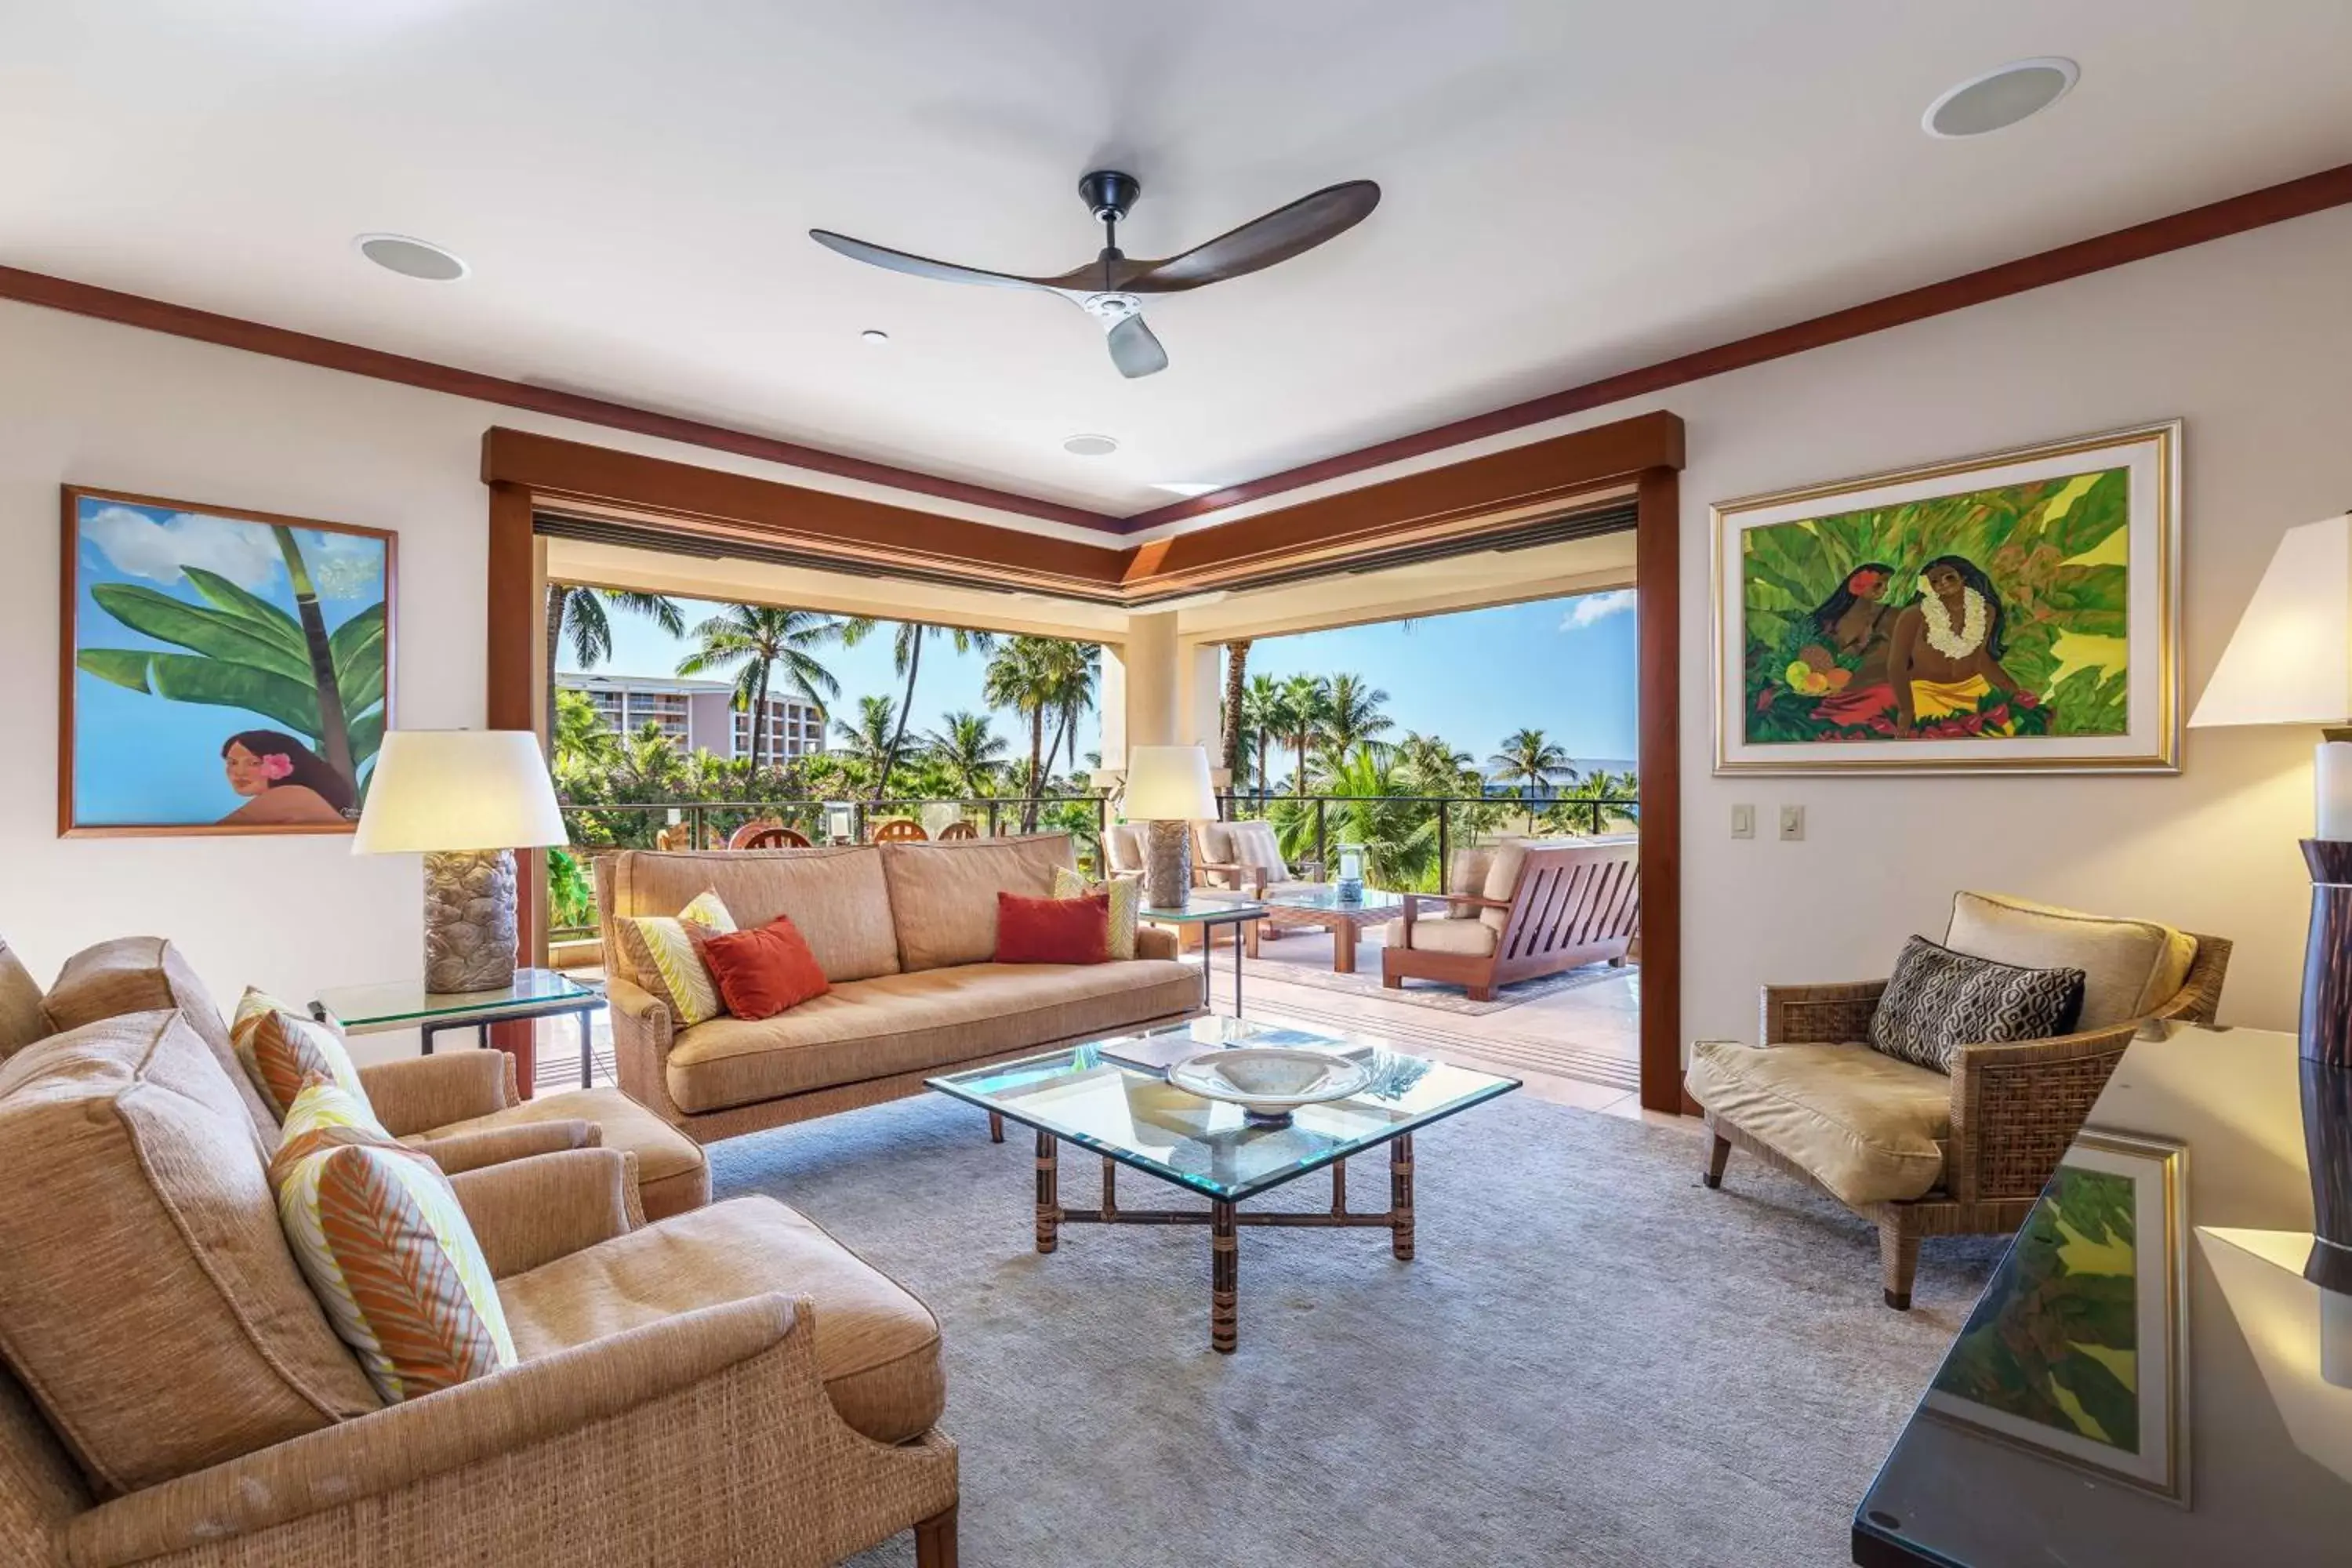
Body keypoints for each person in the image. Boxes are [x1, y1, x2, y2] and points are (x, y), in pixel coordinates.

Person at [1886, 555, 2020, 731]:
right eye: (1935, 581)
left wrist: (2010, 688)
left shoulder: (1985, 610)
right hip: (1927, 692)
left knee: (2002, 737)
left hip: (1974, 689)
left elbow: (1979, 657)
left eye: (1949, 577)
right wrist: (1906, 709)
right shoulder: (1913, 615)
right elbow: (1897, 665)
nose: (1943, 583)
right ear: (1929, 587)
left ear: (1963, 577)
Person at [1806, 563, 1901, 727]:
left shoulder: (1890, 615)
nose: (1885, 590)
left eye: (1886, 585)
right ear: (1857, 585)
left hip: (1875, 689)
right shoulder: (1827, 619)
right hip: (1833, 692)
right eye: (1879, 584)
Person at [219, 729, 355, 826]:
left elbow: (214, 836)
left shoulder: (290, 795)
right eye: (232, 763)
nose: (239, 772)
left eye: (254, 763)